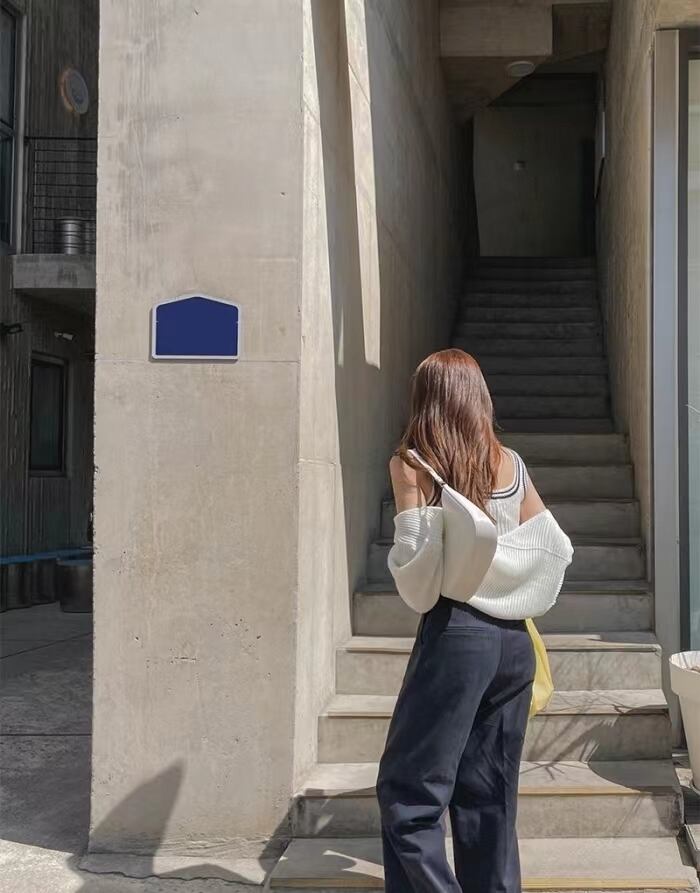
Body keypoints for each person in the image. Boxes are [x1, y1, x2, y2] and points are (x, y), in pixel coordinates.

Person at [376, 348, 573, 893]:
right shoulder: (511, 463)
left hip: (457, 634)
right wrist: (507, 583)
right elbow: (553, 546)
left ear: (426, 399)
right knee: (489, 797)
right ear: (477, 397)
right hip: (513, 645)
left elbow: (418, 580)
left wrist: (459, 568)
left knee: (408, 793)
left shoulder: (413, 465)